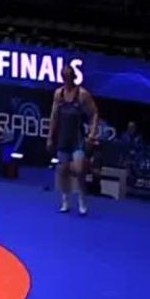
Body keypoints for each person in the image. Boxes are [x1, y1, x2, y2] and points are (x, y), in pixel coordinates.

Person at [47, 64, 99, 216]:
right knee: (63, 170)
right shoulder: (59, 94)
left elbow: (94, 114)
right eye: (64, 77)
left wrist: (92, 133)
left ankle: (82, 198)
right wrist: (50, 137)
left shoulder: (82, 94)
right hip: (63, 137)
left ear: (73, 77)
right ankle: (65, 200)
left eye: (69, 76)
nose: (67, 79)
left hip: (77, 138)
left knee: (79, 169)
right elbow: (54, 116)